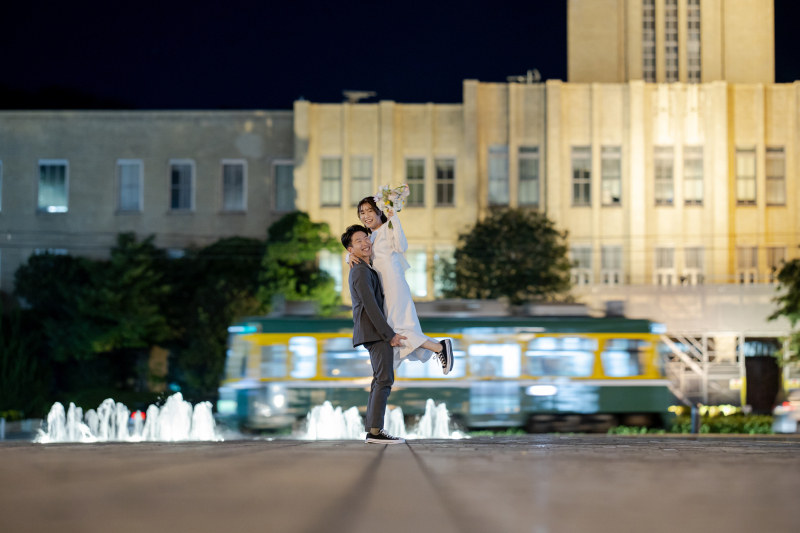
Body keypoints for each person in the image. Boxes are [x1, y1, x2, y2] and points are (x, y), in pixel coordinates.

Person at [347, 196, 454, 374]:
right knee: (395, 330)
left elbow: (401, 245)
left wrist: (393, 217)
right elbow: (360, 252)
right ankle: (439, 347)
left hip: (394, 285)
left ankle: (439, 347)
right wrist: (348, 256)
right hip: (384, 290)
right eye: (361, 213)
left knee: (398, 329)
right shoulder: (370, 237)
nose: (365, 215)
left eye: (369, 211)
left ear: (379, 211)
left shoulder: (387, 228)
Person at [342, 224, 408, 444]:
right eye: (358, 241)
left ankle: (374, 430)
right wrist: (389, 335)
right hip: (374, 332)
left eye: (365, 238)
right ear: (350, 250)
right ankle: (376, 432)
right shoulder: (359, 270)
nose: (365, 243)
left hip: (372, 332)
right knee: (384, 380)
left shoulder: (363, 267)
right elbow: (371, 306)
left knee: (380, 380)